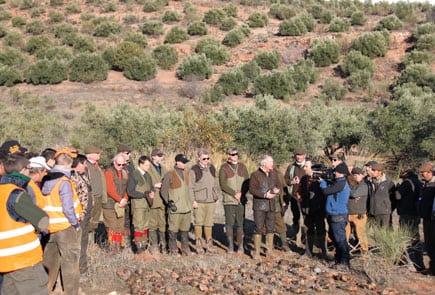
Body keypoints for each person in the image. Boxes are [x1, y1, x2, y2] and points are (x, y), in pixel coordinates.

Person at [0, 154, 49, 295]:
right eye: (29, 169)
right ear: (22, 171)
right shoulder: (16, 195)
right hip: (24, 261)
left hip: (4, 263)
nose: (30, 172)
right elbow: (42, 221)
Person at [41, 148, 83, 294]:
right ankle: (70, 292)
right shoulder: (64, 181)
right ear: (68, 162)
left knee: (49, 262)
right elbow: (67, 207)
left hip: (49, 227)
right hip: (66, 226)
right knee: (70, 262)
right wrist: (75, 224)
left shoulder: (45, 178)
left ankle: (46, 290)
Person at [320, 162, 351, 271]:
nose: (334, 173)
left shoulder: (341, 183)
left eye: (336, 172)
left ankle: (345, 262)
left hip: (338, 215)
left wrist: (323, 182)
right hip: (334, 214)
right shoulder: (338, 182)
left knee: (340, 239)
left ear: (341, 173)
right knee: (335, 238)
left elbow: (326, 191)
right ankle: (338, 259)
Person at [219, 147, 249, 254]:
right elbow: (223, 184)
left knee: (241, 224)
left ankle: (240, 245)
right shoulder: (223, 168)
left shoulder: (242, 167)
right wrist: (234, 193)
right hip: (229, 200)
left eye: (236, 154)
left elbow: (247, 182)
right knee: (229, 223)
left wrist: (242, 193)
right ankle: (230, 246)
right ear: (228, 156)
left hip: (241, 199)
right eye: (232, 154)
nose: (235, 156)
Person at [190, 148, 220, 254]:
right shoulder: (194, 169)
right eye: (204, 158)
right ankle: (198, 245)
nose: (206, 160)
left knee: (209, 223)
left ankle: (209, 245)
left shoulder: (212, 168)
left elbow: (215, 184)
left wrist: (216, 197)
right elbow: (190, 187)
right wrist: (193, 200)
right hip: (199, 200)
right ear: (199, 158)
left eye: (208, 158)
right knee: (198, 222)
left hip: (211, 200)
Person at [160, 154, 192, 256]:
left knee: (185, 230)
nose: (184, 164)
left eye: (185, 162)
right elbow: (164, 190)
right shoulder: (170, 174)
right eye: (183, 162)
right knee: (173, 230)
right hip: (175, 208)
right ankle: (173, 250)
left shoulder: (186, 173)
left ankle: (185, 249)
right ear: (177, 162)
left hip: (186, 207)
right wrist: (168, 202)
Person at [249, 155, 280, 259]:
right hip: (259, 206)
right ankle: (256, 252)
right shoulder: (255, 175)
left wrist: (276, 190)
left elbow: (277, 186)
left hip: (271, 205)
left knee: (270, 228)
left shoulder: (273, 174)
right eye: (270, 162)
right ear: (264, 164)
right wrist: (264, 195)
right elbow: (252, 190)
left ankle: (269, 251)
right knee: (258, 228)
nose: (272, 164)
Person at [396, 167, 424, 272]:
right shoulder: (419, 182)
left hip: (406, 212)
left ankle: (404, 262)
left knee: (404, 238)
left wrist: (397, 189)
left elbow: (398, 196)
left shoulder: (407, 183)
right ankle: (419, 264)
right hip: (416, 213)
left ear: (406, 173)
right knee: (415, 238)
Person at [298, 160, 327, 258]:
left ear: (312, 168)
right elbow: (300, 191)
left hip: (319, 209)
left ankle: (323, 252)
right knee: (308, 229)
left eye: (306, 166)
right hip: (307, 208)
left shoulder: (321, 179)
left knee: (321, 230)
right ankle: (308, 252)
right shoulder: (304, 179)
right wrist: (301, 200)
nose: (304, 168)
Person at [71, 154, 93, 276]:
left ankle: (83, 267)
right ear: (79, 164)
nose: (86, 166)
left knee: (83, 240)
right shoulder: (72, 177)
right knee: (78, 242)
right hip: (79, 215)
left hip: (85, 213)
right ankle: (78, 269)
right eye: (84, 164)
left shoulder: (83, 175)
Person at [127, 155, 154, 254]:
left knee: (146, 225)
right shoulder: (134, 174)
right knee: (139, 226)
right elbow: (130, 191)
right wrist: (143, 195)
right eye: (147, 165)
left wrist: (152, 192)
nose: (148, 167)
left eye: (149, 165)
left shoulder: (147, 175)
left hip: (146, 205)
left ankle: (144, 245)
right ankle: (139, 248)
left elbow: (151, 188)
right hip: (138, 205)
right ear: (141, 164)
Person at [103, 153, 129, 253]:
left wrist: (125, 199)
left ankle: (118, 248)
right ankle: (112, 249)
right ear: (114, 162)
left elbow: (127, 188)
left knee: (119, 227)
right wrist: (120, 199)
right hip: (110, 205)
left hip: (121, 204)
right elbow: (109, 189)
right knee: (112, 227)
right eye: (119, 164)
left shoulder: (125, 173)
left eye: (123, 165)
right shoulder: (108, 172)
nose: (121, 166)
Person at [85, 146, 107, 246]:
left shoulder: (97, 167)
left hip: (98, 197)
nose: (99, 155)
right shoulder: (85, 166)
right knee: (88, 220)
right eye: (97, 153)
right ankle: (86, 242)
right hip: (90, 198)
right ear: (91, 155)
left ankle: (91, 242)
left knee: (95, 221)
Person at [148, 148, 168, 254]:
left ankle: (163, 245)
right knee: (152, 223)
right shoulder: (148, 167)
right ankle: (154, 245)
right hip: (153, 198)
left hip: (162, 199)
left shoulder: (163, 168)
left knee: (162, 223)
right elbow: (143, 182)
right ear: (153, 157)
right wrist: (154, 185)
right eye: (159, 156)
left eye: (161, 156)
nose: (161, 158)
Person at [284, 148, 306, 243]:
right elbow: (285, 180)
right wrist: (292, 181)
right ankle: (297, 238)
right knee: (296, 217)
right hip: (294, 197)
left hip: (306, 198)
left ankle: (307, 238)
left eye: (300, 155)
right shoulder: (291, 167)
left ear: (304, 156)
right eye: (297, 155)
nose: (298, 157)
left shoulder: (309, 166)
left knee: (307, 218)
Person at [346, 167, 369, 255]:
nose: (355, 177)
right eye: (354, 175)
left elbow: (354, 194)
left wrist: (349, 192)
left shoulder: (364, 185)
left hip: (359, 214)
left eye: (357, 175)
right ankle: (345, 249)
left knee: (361, 233)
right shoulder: (354, 184)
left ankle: (364, 251)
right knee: (346, 233)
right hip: (349, 213)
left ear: (361, 175)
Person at [419, 162, 435, 276]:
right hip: (426, 218)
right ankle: (432, 268)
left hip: (433, 219)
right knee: (429, 244)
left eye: (423, 173)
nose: (422, 175)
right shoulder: (426, 184)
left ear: (430, 173)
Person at [368, 163, 396, 228]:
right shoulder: (370, 182)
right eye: (372, 170)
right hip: (373, 211)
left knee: (385, 231)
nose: (372, 172)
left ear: (380, 172)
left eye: (374, 170)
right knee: (376, 232)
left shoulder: (389, 183)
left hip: (384, 212)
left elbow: (393, 198)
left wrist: (388, 208)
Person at [118, 143, 134, 252]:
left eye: (130, 153)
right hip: (120, 198)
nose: (129, 155)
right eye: (127, 153)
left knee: (129, 222)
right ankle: (120, 246)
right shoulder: (117, 164)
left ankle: (128, 244)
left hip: (130, 196)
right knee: (120, 223)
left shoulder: (130, 164)